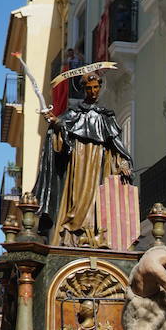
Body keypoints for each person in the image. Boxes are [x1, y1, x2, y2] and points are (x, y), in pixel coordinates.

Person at [33, 72, 133, 247]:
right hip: (79, 160)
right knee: (78, 196)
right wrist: (56, 123)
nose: (93, 91)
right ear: (83, 90)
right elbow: (62, 136)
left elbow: (116, 146)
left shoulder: (105, 116)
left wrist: (124, 163)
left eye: (96, 88)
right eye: (89, 88)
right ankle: (76, 232)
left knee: (97, 197)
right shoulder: (73, 113)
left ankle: (97, 233)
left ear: (100, 88)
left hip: (101, 163)